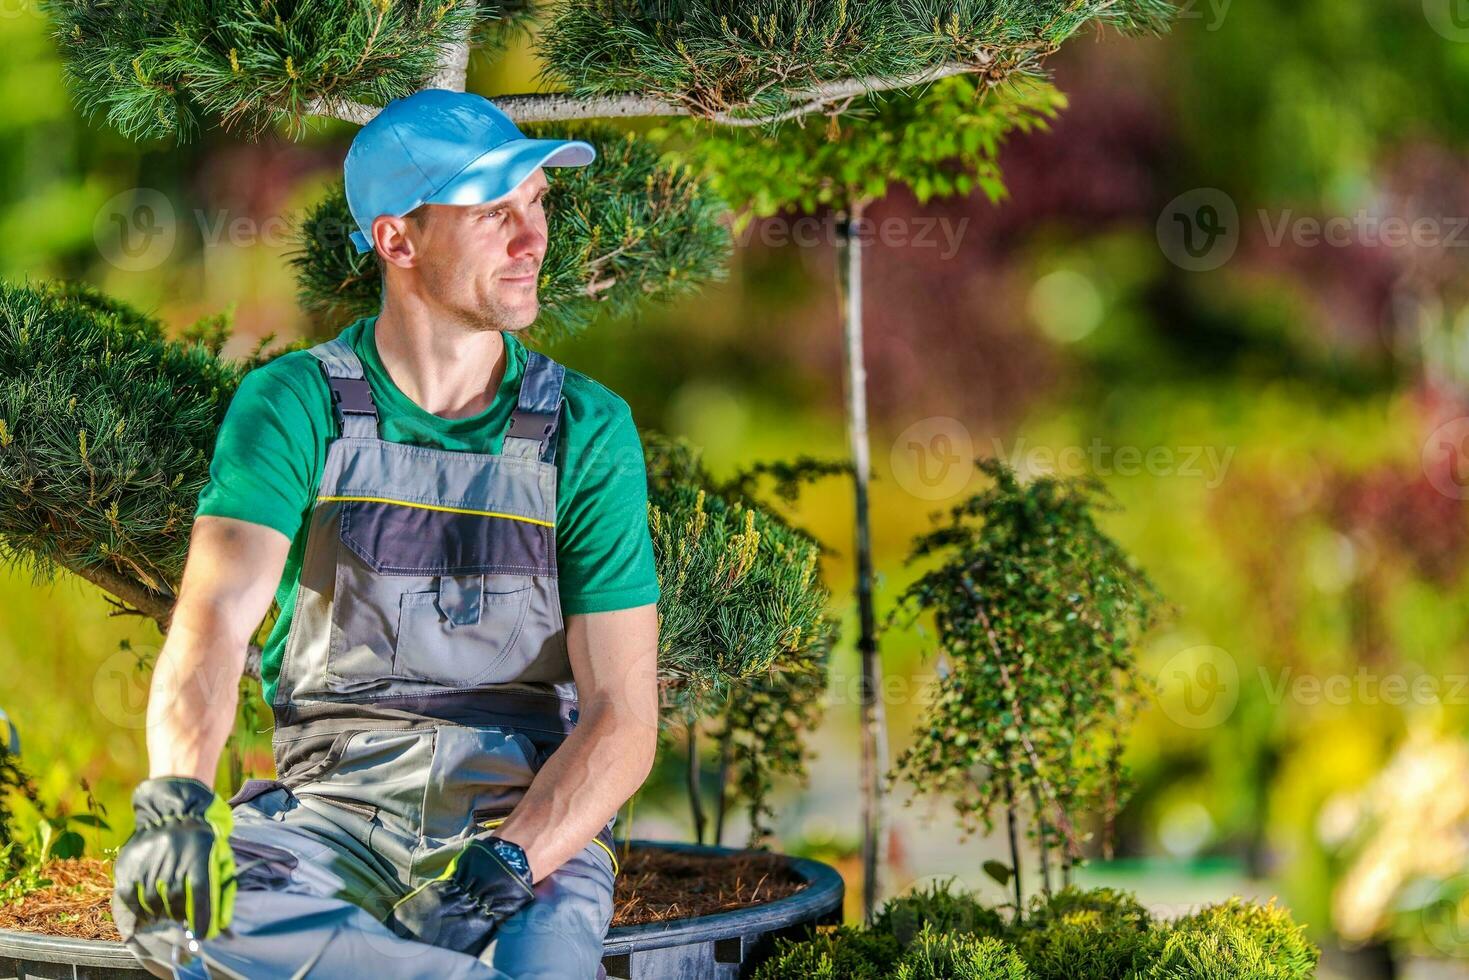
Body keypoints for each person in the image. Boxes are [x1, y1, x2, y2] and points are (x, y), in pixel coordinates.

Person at [109, 89, 661, 980]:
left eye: (536, 206)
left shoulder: (587, 430)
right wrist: (177, 801)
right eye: (494, 214)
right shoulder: (295, 406)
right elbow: (211, 627)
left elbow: (623, 716)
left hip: (517, 831)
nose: (533, 241)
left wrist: (507, 864)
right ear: (396, 240)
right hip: (326, 816)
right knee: (183, 914)